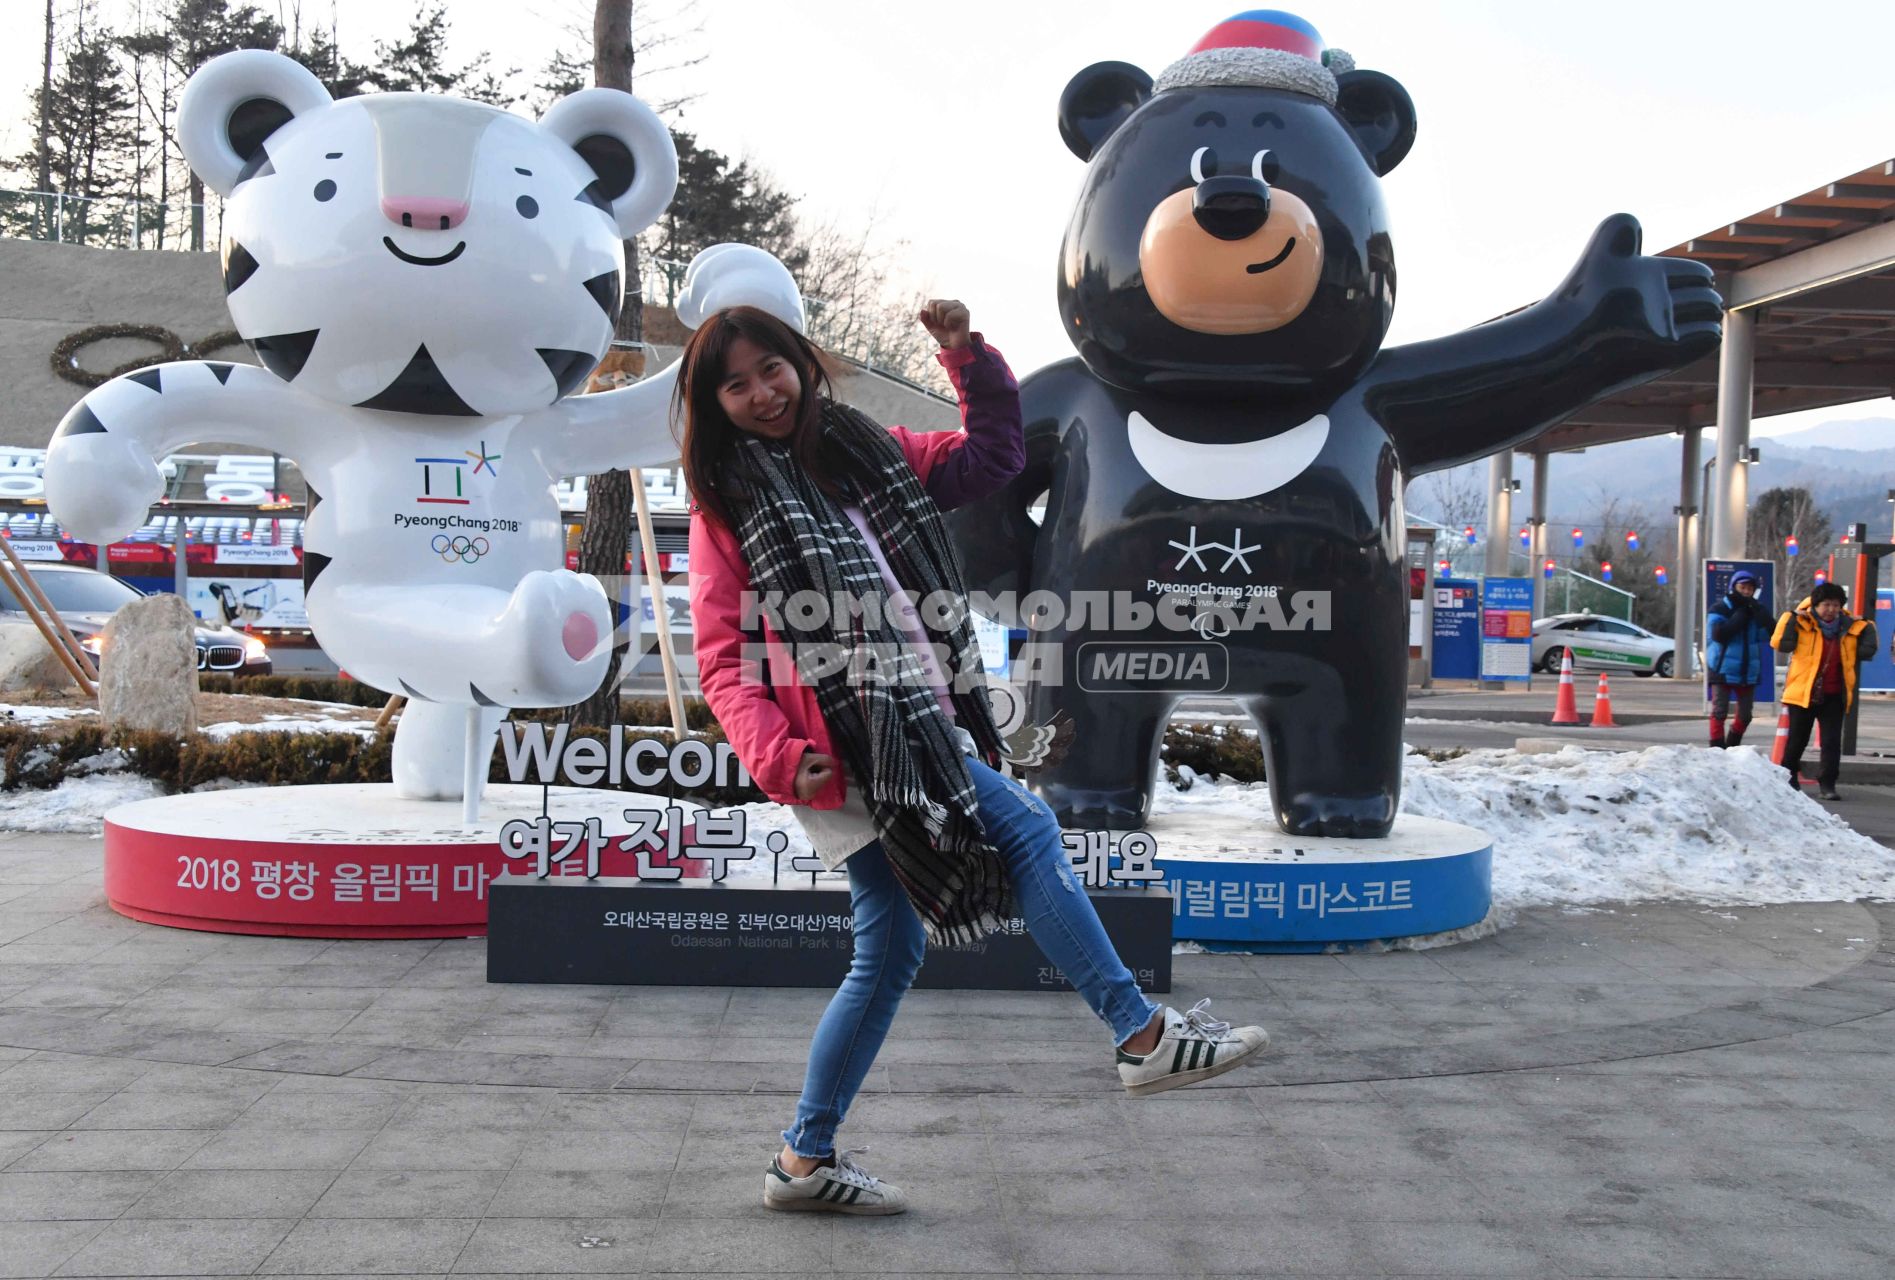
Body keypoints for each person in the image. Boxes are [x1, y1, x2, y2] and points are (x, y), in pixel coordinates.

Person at [679, 301, 1270, 1216]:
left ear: (801, 363)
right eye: (736, 382)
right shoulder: (728, 508)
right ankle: (1141, 1036)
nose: (762, 393)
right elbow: (722, 657)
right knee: (1028, 829)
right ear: (713, 403)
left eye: (771, 368)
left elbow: (990, 459)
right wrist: (776, 754)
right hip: (840, 746)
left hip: (927, 722)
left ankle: (804, 1158)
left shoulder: (869, 452)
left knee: (888, 950)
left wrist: (964, 357)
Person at [1772, 581, 1878, 801]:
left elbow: (1869, 643)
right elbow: (1780, 643)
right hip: (1803, 693)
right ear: (1815, 605)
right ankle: (1787, 778)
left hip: (1834, 694)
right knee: (1797, 740)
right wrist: (1788, 618)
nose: (1831, 610)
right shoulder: (1801, 623)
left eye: (1835, 605)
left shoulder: (1850, 628)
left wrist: (1867, 627)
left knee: (1831, 743)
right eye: (1826, 605)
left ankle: (1828, 783)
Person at [1704, 569, 1772, 747]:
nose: (1746, 591)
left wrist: (1765, 619)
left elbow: (1766, 636)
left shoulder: (1754, 611)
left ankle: (1733, 745)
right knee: (1719, 712)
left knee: (1746, 716)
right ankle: (1716, 749)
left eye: (1750, 588)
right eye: (1742, 587)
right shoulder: (1719, 608)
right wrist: (1739, 617)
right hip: (1722, 668)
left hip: (1747, 670)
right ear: (1733, 586)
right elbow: (1718, 635)